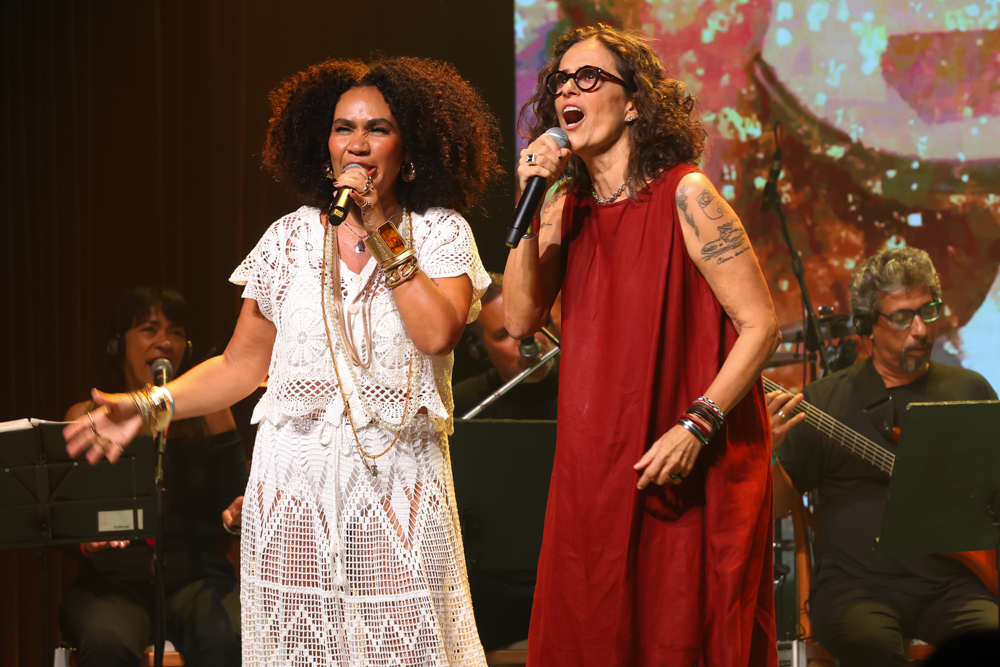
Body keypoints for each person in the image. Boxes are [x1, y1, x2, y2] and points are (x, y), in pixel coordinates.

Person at [63, 56, 502, 667]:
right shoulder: (288, 239)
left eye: (377, 128)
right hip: (294, 492)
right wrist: (148, 405)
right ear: (324, 145)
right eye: (343, 128)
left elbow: (437, 333)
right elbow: (239, 366)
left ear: (411, 147)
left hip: (396, 490)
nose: (357, 143)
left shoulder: (439, 232)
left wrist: (379, 224)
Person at [505, 25, 781, 666]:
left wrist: (697, 424)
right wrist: (532, 195)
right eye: (559, 82)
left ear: (633, 103)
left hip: (681, 451)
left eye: (588, 77)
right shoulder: (563, 206)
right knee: (593, 624)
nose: (568, 91)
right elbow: (519, 318)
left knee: (673, 627)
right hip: (596, 461)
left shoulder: (688, 194)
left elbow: (761, 325)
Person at [769, 247, 999, 667]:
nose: (920, 330)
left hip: (954, 587)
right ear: (866, 326)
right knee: (871, 648)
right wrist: (767, 452)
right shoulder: (823, 401)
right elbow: (778, 504)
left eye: (927, 311)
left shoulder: (970, 391)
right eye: (901, 317)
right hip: (855, 589)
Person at [60, 287, 245, 667]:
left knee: (227, 637)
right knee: (106, 645)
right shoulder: (86, 416)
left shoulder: (211, 414)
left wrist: (239, 514)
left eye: (176, 332)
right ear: (118, 345)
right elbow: (61, 519)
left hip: (198, 578)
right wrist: (87, 543)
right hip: (113, 583)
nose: (165, 342)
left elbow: (235, 499)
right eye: (149, 329)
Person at [453, 272, 559, 420]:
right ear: (480, 348)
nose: (526, 341)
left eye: (529, 321)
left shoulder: (588, 378)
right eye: (504, 335)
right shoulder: (461, 406)